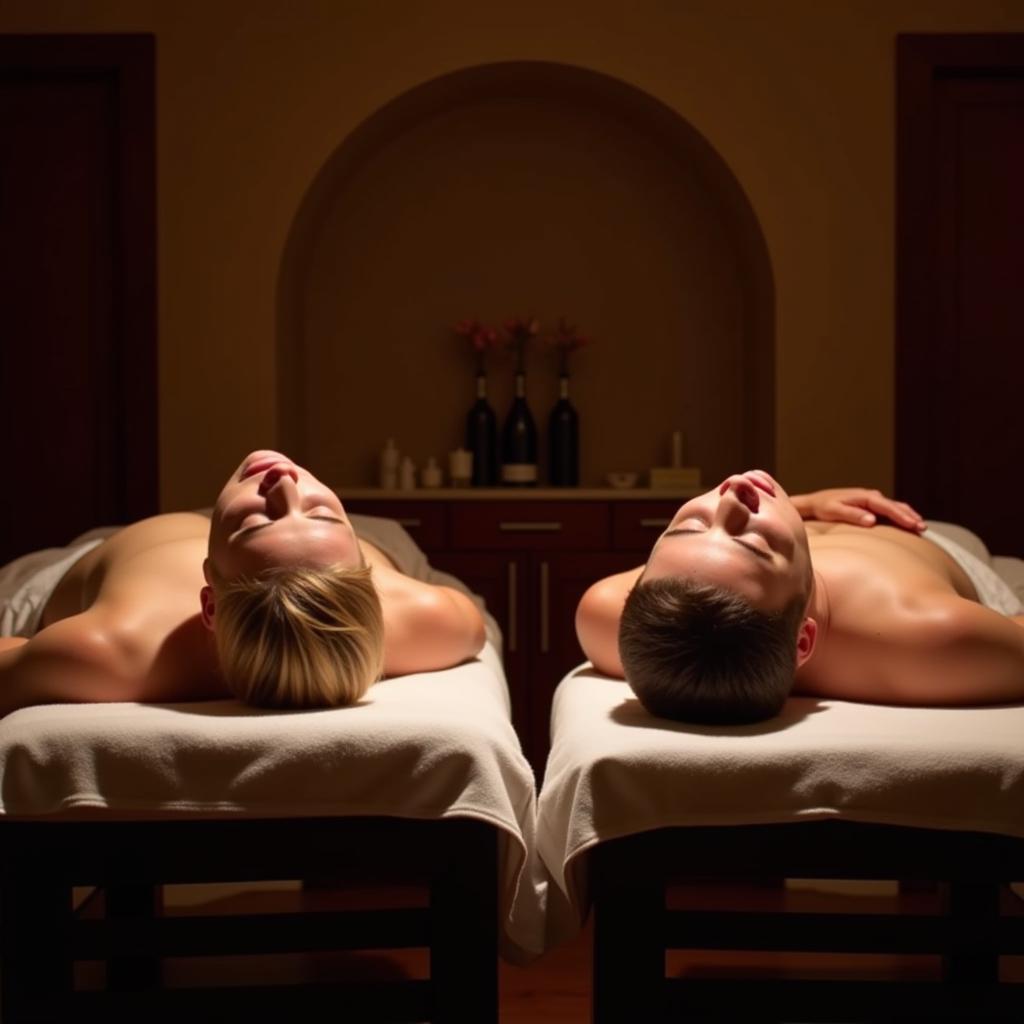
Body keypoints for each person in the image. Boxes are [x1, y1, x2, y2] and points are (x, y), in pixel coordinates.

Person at [0, 450, 486, 716]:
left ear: (209, 605)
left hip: (89, 558)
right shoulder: (433, 620)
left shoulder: (111, 647)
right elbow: (475, 625)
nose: (285, 483)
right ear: (374, 593)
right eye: (320, 514)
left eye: (257, 524)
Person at [576, 470, 1024, 724]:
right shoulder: (931, 635)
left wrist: (807, 505)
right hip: (945, 547)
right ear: (802, 642)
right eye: (754, 544)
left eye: (688, 529)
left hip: (842, 522)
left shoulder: (608, 619)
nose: (732, 495)